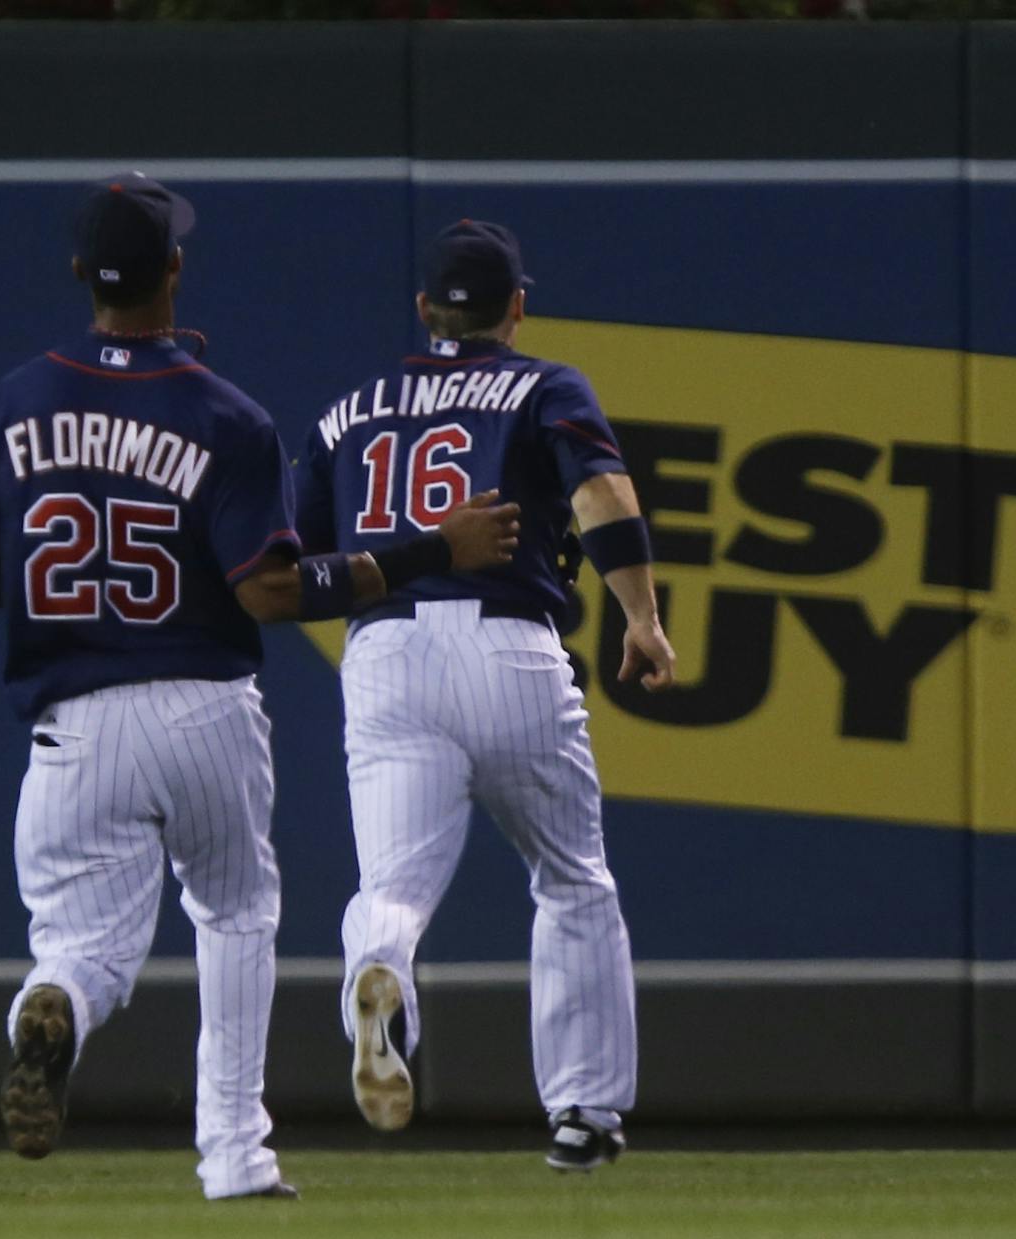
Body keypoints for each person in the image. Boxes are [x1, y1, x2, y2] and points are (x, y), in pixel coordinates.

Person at [0, 177, 517, 1201]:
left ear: (81, 275)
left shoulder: (17, 401)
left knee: (82, 948)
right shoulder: (226, 415)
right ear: (175, 270)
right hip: (203, 705)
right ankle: (236, 1157)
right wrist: (425, 551)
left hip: (73, 724)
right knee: (237, 915)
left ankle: (51, 999)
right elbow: (272, 591)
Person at [294, 218, 676, 1171]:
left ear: (425, 310)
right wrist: (642, 615)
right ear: (517, 305)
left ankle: (379, 971)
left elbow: (299, 565)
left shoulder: (349, 413)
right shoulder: (544, 385)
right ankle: (584, 1111)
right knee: (572, 877)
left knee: (390, 888)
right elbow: (603, 500)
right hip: (511, 645)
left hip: (385, 652)